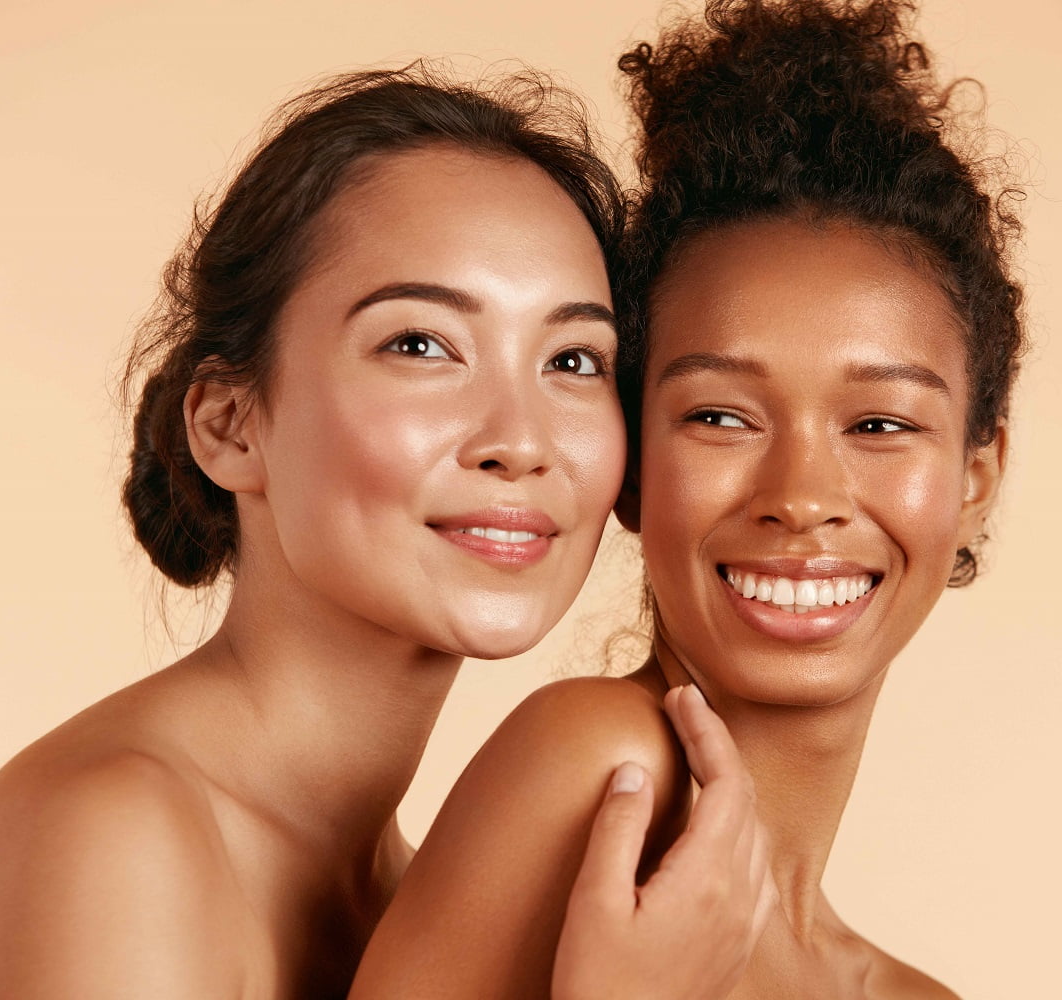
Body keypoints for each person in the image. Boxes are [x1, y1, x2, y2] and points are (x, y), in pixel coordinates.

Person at [0, 66, 771, 1000]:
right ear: (231, 423)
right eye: (420, 345)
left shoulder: (416, 904)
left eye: (574, 359)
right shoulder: (118, 835)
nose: (521, 440)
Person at [347, 1, 1026, 996]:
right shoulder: (599, 772)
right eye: (721, 416)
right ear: (631, 469)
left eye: (879, 424)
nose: (801, 498)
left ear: (975, 479)